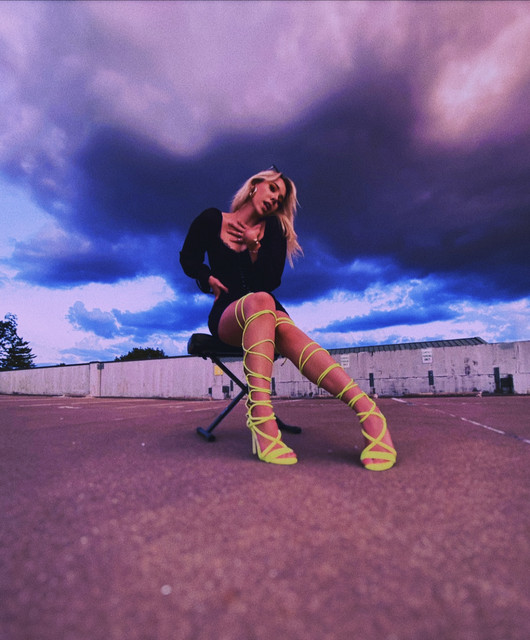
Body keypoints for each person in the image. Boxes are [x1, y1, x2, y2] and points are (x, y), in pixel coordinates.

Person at [180, 167, 396, 470]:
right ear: (255, 185)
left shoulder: (274, 231)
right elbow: (188, 258)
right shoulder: (212, 219)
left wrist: (254, 248)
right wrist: (206, 278)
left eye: (280, 199)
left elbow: (269, 281)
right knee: (262, 301)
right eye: (272, 189)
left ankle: (369, 412)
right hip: (228, 314)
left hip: (266, 312)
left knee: (274, 313)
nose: (275, 200)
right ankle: (262, 417)